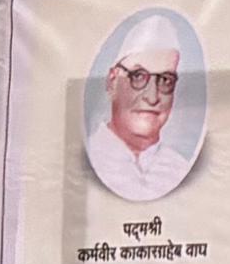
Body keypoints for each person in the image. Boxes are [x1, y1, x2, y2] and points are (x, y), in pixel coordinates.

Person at [84, 20, 196, 201]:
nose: (152, 97)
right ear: (112, 81)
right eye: (138, 76)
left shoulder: (183, 171)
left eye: (166, 80)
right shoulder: (85, 158)